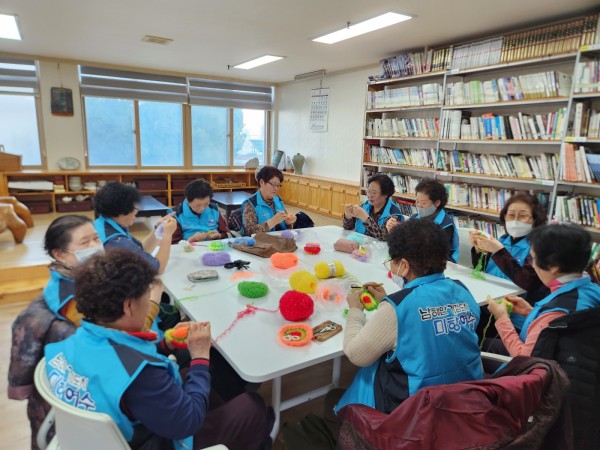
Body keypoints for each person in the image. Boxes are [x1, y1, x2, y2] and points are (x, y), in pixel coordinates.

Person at [44, 249, 273, 450]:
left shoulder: (73, 340)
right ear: (129, 306)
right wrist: (200, 357)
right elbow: (188, 422)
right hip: (154, 440)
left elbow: (123, 357)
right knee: (251, 406)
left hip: (105, 430)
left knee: (189, 375)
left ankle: (224, 418)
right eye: (147, 298)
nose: (149, 306)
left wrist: (165, 344)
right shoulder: (143, 376)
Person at [7, 215, 158, 450]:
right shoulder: (70, 297)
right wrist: (153, 301)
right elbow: (125, 335)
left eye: (96, 238)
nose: (95, 246)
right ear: (60, 254)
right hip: (111, 385)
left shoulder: (85, 278)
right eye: (85, 242)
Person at [332, 219, 482, 417]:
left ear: (404, 265)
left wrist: (355, 311)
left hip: (417, 413)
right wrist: (391, 302)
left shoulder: (398, 308)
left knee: (339, 396)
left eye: (392, 261)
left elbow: (357, 355)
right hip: (467, 401)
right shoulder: (462, 291)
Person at [487, 224, 600, 357]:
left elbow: (524, 358)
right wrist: (530, 312)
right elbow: (557, 329)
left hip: (533, 365)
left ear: (553, 266)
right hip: (567, 358)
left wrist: (502, 318)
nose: (532, 265)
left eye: (532, 259)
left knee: (483, 346)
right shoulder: (592, 289)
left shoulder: (557, 310)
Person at [93, 182, 176, 274]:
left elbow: (140, 251)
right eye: (134, 208)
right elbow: (156, 269)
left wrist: (157, 229)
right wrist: (167, 235)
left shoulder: (104, 222)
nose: (136, 212)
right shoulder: (116, 240)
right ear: (121, 210)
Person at [387, 178, 459, 263]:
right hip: (417, 261)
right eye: (417, 201)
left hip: (441, 264)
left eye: (423, 203)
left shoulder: (446, 225)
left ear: (437, 203)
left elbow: (433, 252)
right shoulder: (414, 218)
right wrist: (395, 231)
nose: (419, 206)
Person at [343, 173, 402, 240]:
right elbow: (348, 228)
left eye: (374, 193)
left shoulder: (393, 212)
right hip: (361, 244)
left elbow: (383, 237)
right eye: (368, 191)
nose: (369, 196)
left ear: (385, 194)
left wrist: (364, 217)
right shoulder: (366, 205)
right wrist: (348, 216)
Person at [170, 179, 230, 244]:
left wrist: (219, 236)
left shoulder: (214, 210)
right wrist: (191, 240)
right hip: (188, 249)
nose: (202, 209)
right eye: (197, 205)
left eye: (206, 204)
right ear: (187, 200)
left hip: (213, 248)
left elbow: (227, 234)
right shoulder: (176, 215)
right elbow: (172, 245)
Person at [241, 165, 296, 235]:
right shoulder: (250, 204)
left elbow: (285, 225)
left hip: (280, 239)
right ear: (262, 182)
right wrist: (273, 221)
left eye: (278, 185)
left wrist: (288, 222)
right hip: (261, 241)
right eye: (273, 184)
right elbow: (249, 232)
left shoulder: (278, 199)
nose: (276, 188)